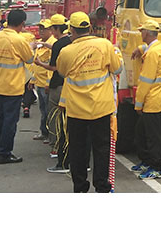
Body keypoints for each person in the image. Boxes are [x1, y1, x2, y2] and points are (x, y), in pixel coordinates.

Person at [56, 12, 121, 192]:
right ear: (90, 28)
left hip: (77, 110)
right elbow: (118, 68)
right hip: (101, 107)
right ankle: (101, 186)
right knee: (101, 148)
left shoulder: (66, 51)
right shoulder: (105, 45)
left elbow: (62, 72)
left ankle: (80, 186)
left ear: (71, 30)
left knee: (78, 150)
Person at [0, 9, 37, 164]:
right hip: (13, 87)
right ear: (22, 23)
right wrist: (32, 47)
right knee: (10, 122)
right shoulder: (19, 40)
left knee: (0, 120)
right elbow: (29, 59)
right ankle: (4, 152)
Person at [129, 20, 161, 180]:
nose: (140, 33)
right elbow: (152, 47)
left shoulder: (152, 54)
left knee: (153, 136)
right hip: (158, 97)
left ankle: (157, 167)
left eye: (142, 31)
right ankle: (146, 161)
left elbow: (145, 82)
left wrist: (138, 104)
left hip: (151, 99)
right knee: (141, 132)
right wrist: (140, 49)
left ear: (146, 33)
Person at [43, 14, 73, 173]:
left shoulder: (58, 45)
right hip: (73, 89)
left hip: (59, 87)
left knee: (56, 119)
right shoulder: (72, 42)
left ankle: (57, 150)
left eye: (51, 29)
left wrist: (39, 63)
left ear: (55, 29)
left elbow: (55, 68)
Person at [28, 19, 55, 142]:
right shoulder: (41, 44)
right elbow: (36, 65)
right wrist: (32, 80)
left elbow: (52, 67)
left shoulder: (52, 44)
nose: (41, 31)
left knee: (48, 111)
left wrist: (48, 82)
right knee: (43, 110)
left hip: (46, 84)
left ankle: (50, 134)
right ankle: (43, 132)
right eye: (40, 28)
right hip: (39, 82)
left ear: (51, 30)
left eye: (44, 29)